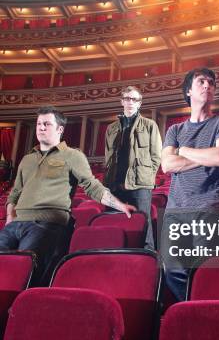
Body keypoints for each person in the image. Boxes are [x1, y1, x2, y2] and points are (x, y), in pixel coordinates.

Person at [0, 106, 135, 284]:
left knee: (22, 275)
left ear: (60, 129)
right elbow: (15, 192)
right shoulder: (27, 159)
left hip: (46, 225)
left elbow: (92, 185)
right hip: (14, 225)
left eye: (47, 124)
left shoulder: (72, 155)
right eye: (39, 123)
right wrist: (10, 216)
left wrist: (119, 205)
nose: (41, 128)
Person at [161, 68, 219, 300]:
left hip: (211, 206)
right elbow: (167, 165)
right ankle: (192, 308)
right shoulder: (175, 130)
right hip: (177, 210)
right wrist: (204, 155)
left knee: (205, 269)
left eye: (211, 83)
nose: (208, 86)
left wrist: (183, 151)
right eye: (202, 81)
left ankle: (206, 311)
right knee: (173, 269)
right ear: (188, 91)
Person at [104, 85, 162, 249]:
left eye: (134, 99)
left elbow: (156, 156)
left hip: (140, 184)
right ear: (122, 101)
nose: (131, 102)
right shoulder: (111, 128)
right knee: (115, 223)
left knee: (143, 222)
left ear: (139, 103)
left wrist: (147, 176)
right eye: (127, 99)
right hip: (114, 184)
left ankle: (147, 256)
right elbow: (108, 156)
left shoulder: (150, 125)